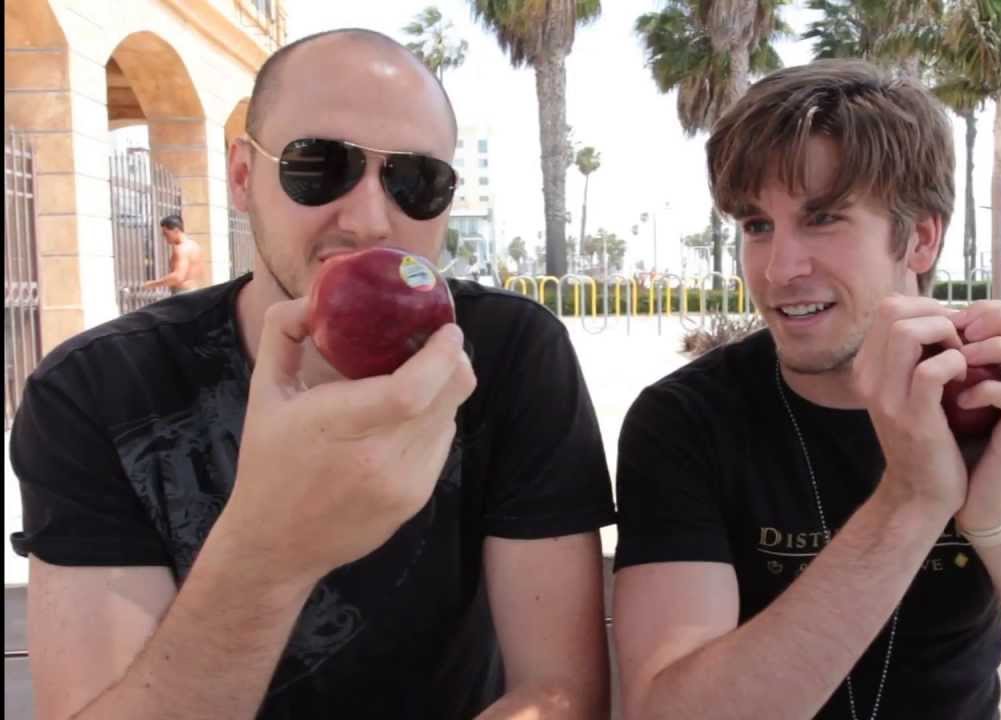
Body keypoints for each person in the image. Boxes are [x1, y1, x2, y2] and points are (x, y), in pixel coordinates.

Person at [10, 28, 614, 720]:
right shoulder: (97, 392)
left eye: (416, 181)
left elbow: (557, 695)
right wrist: (270, 549)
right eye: (318, 166)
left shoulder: (508, 354)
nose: (368, 220)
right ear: (242, 176)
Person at [611, 60, 1001, 720]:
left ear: (920, 237)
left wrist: (998, 521)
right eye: (757, 226)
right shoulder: (689, 420)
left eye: (823, 218)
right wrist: (910, 503)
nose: (779, 268)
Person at [142, 214, 205, 295]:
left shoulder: (181, 249)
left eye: (166, 233)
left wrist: (153, 284)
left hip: (182, 295)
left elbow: (177, 277)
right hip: (195, 292)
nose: (164, 236)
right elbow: (201, 273)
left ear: (176, 230)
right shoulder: (195, 246)